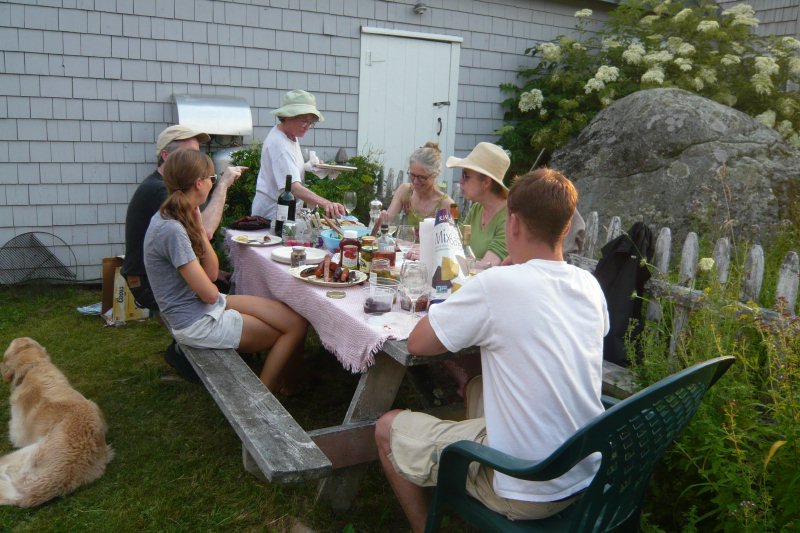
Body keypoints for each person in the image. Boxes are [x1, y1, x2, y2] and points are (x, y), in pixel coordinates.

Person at [375, 168, 609, 531]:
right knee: (477, 385)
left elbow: (418, 342)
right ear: (565, 228)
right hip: (581, 469)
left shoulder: (499, 284)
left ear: (512, 224)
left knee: (387, 428)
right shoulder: (589, 286)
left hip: (525, 486)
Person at [144, 149, 308, 393]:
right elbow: (209, 292)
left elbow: (210, 274)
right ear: (199, 184)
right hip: (196, 321)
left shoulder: (180, 214)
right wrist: (209, 288)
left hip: (205, 305)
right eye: (212, 178)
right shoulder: (171, 229)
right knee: (284, 333)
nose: (214, 182)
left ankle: (283, 386)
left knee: (296, 322)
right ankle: (263, 399)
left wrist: (200, 230)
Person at [251, 89, 346, 221]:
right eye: (304, 121)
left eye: (311, 122)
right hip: (271, 218)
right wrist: (326, 203)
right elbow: (294, 188)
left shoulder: (290, 136)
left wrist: (313, 166)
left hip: (284, 212)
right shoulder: (279, 144)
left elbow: (290, 167)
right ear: (288, 116)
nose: (307, 126)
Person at [446, 142, 511, 269]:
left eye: (466, 176)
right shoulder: (478, 208)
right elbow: (456, 244)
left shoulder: (509, 216)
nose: (460, 181)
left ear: (486, 182)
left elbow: (485, 266)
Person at [378, 142, 454, 230]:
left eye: (421, 177)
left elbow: (453, 240)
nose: (415, 181)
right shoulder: (405, 190)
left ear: (435, 174)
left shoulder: (450, 205)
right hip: (405, 243)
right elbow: (388, 221)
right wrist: (382, 218)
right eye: (412, 175)